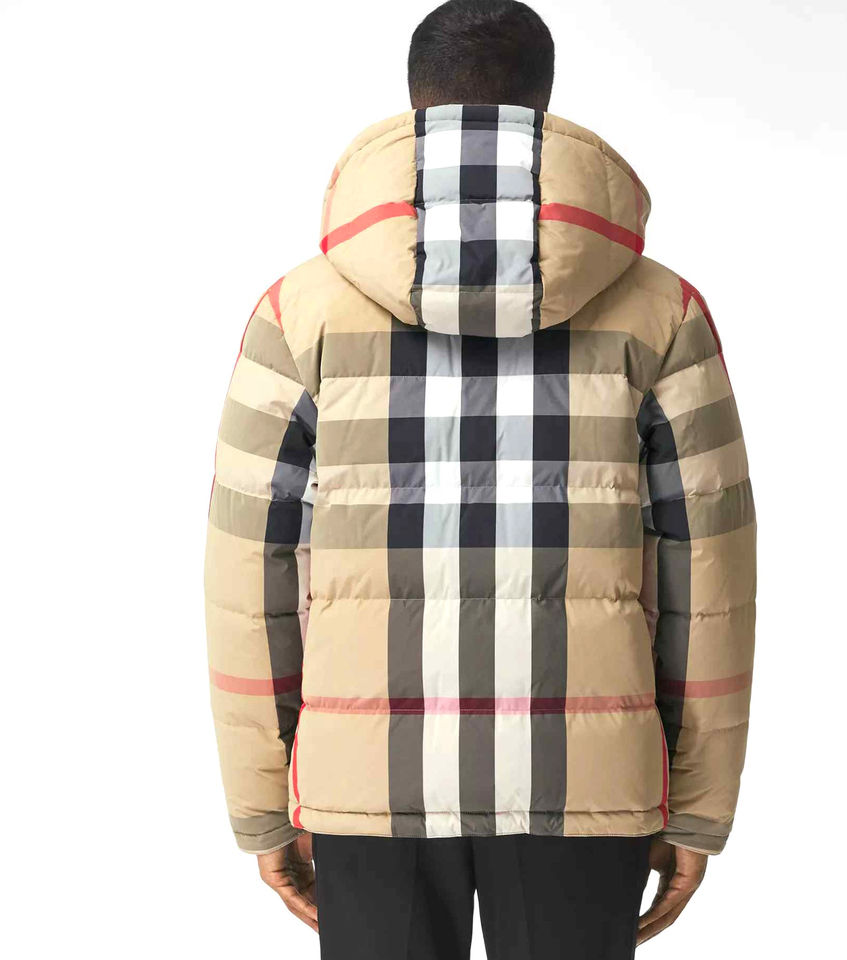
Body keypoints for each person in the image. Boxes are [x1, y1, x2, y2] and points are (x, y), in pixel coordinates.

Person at [203, 1, 757, 956]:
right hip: (587, 781)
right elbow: (710, 574)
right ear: (544, 102)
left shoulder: (296, 313)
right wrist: (698, 804)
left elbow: (248, 573)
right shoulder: (663, 313)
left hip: (365, 777)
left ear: (416, 101)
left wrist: (262, 802)